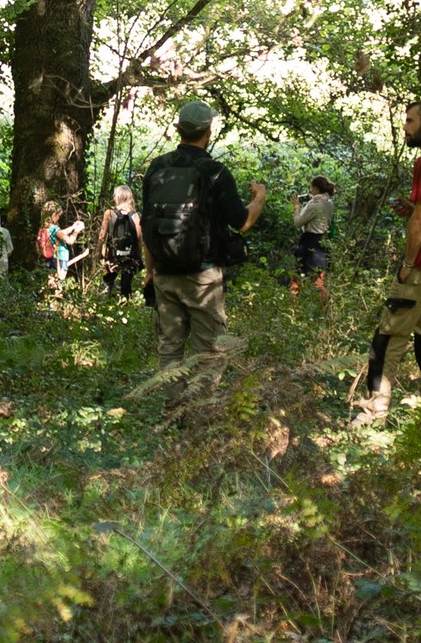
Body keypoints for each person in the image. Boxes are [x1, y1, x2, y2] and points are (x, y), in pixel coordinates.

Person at [139, 99, 266, 411]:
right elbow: (243, 222)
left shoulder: (157, 167)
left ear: (178, 130)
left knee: (170, 345)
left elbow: (149, 224)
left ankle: (173, 409)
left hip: (165, 272)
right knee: (207, 346)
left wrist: (150, 272)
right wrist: (259, 197)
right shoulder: (216, 173)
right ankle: (200, 413)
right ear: (209, 131)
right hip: (204, 275)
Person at [354, 102, 421, 425]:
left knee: (387, 338)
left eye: (410, 120)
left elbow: (420, 222)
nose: (405, 127)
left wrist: (407, 263)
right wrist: (412, 206)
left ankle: (373, 414)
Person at [291, 175, 336, 297]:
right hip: (323, 242)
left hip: (309, 241)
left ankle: (293, 306)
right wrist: (312, 198)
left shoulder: (314, 205)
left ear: (315, 188)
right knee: (319, 280)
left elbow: (298, 223)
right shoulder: (329, 202)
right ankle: (323, 309)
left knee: (297, 277)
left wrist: (296, 207)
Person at [99, 185, 144, 300]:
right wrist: (139, 255)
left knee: (107, 281)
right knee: (126, 284)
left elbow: (102, 235)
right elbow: (139, 239)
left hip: (113, 255)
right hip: (129, 257)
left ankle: (101, 307)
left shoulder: (109, 213)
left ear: (117, 196)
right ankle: (125, 309)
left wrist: (100, 252)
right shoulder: (135, 216)